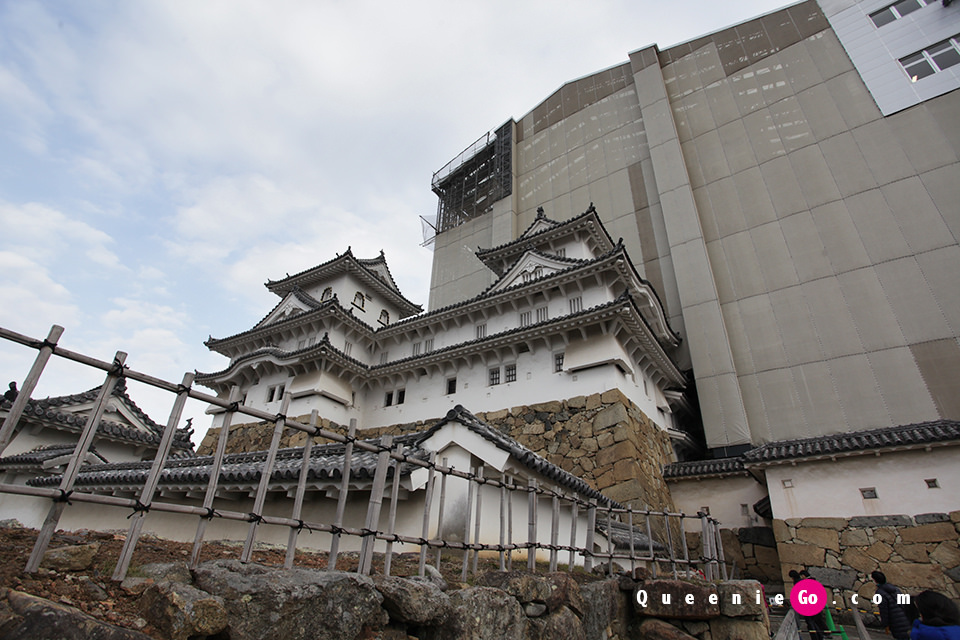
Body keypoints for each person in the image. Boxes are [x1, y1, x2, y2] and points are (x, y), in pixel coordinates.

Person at [872, 571, 913, 640]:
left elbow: (884, 610)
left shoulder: (880, 593)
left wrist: (885, 624)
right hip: (905, 619)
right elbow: (905, 603)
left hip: (895, 622)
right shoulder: (895, 589)